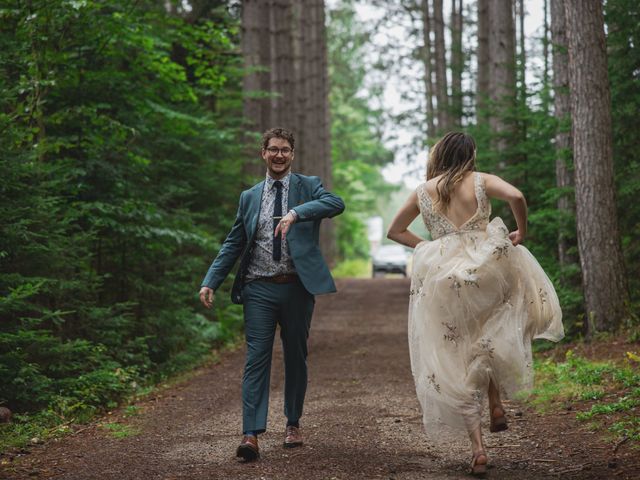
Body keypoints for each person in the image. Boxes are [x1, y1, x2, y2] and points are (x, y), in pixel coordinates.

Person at [387, 132, 564, 475]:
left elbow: (395, 230)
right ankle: (496, 402)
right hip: (486, 269)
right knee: (494, 331)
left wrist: (428, 248)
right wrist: (521, 232)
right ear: (469, 154)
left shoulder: (425, 190)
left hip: (445, 277)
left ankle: (478, 449)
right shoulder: (480, 180)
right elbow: (517, 195)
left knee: (459, 352)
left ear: (439, 155)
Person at [199, 127, 345, 462]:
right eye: (273, 149)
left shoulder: (308, 186)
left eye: (285, 150)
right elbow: (234, 243)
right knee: (256, 358)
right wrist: (211, 280)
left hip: (296, 287)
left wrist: (297, 213)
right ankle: (250, 434)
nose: (279, 155)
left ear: (292, 154)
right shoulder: (249, 196)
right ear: (263, 153)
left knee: (296, 356)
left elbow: (336, 203)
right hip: (258, 288)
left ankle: (293, 423)